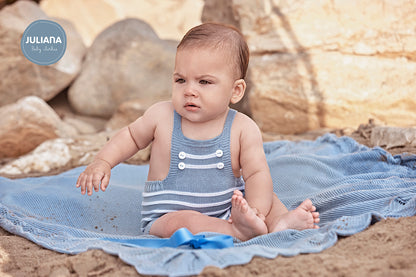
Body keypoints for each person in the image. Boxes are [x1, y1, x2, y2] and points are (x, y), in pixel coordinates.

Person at [76, 22, 320, 241]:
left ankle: (279, 222)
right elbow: (130, 136)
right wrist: (103, 162)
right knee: (185, 222)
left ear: (235, 91)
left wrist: (255, 209)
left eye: (204, 82)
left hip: (229, 209)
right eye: (181, 80)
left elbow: (256, 173)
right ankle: (237, 232)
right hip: (168, 215)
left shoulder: (242, 128)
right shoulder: (162, 116)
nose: (189, 90)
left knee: (268, 196)